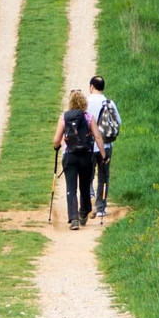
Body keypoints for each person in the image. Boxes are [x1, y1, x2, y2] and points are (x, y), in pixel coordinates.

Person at [52, 89, 106, 230]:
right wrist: (103, 155)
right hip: (86, 156)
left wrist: (56, 146)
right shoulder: (89, 117)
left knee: (71, 188)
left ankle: (74, 218)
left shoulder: (64, 117)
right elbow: (98, 137)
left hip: (70, 156)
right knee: (84, 186)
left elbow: (56, 140)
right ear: (84, 102)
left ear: (70, 102)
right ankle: (83, 213)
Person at [87, 75, 120, 219]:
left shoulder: (85, 101)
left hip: (88, 145)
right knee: (103, 176)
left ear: (91, 86)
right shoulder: (109, 103)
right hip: (105, 145)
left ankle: (87, 199)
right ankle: (101, 207)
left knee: (87, 173)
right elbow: (118, 121)